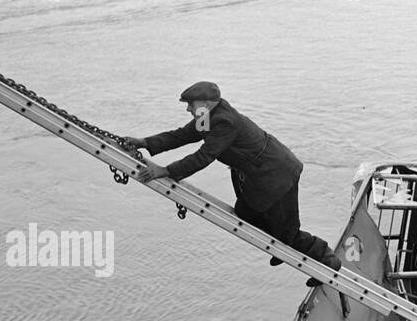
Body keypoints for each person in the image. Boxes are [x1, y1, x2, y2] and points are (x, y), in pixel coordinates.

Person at [124, 82, 341, 286]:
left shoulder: (223, 122)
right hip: (260, 176)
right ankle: (281, 241)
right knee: (245, 212)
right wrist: (144, 143)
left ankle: (328, 260)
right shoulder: (208, 116)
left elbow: (204, 156)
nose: (188, 109)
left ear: (206, 103)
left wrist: (165, 171)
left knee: (289, 233)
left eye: (191, 104)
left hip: (277, 174)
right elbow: (183, 135)